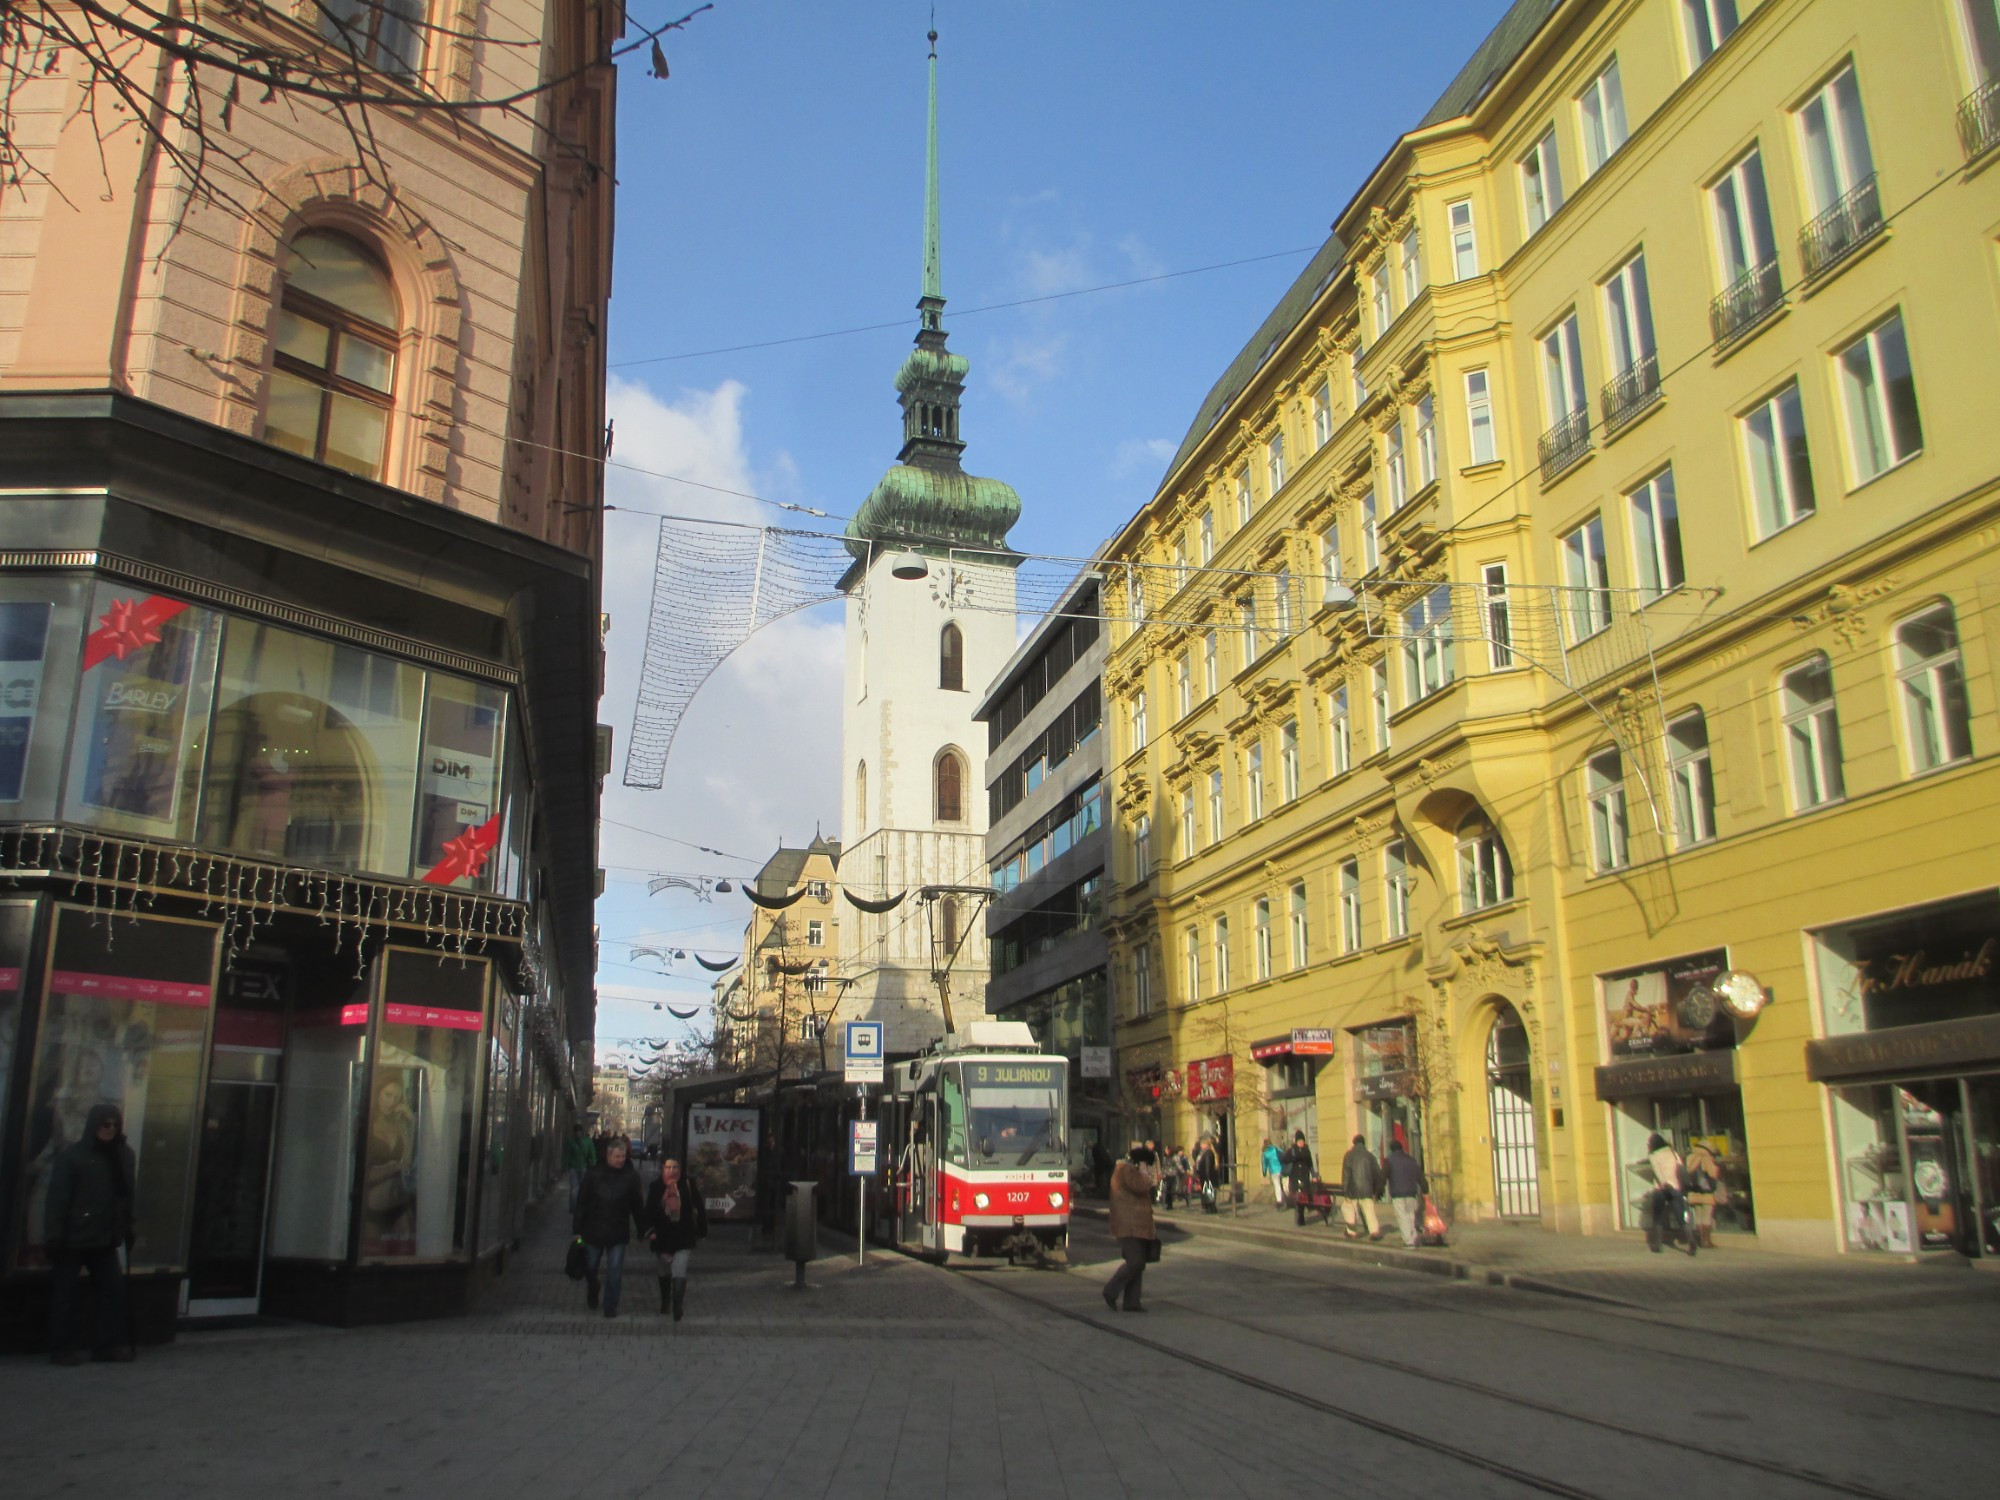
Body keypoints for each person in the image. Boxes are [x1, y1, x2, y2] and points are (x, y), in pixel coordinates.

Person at [45, 1103, 136, 1365]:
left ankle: (105, 1346)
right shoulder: (73, 1156)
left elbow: (127, 1195)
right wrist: (54, 1235)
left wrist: (129, 1227)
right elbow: (58, 1199)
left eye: (113, 1125)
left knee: (114, 1291)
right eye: (104, 1124)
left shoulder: (123, 1155)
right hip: (73, 1238)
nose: (109, 1129)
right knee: (64, 1296)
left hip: (105, 1237)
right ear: (92, 1126)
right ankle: (60, 1349)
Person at [573, 1135, 646, 1316]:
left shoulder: (631, 1177)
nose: (620, 1160)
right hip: (593, 1229)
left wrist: (642, 1229)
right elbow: (582, 1202)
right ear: (608, 1156)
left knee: (614, 1271)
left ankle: (610, 1305)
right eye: (617, 1156)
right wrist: (577, 1230)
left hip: (618, 1231)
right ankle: (593, 1287)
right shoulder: (594, 1174)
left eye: (623, 1156)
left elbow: (637, 1205)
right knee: (590, 1267)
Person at [642, 1156, 708, 1321]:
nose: (672, 1171)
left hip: (683, 1235)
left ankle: (677, 1305)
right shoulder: (656, 1186)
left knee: (679, 1271)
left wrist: (702, 1230)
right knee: (664, 1272)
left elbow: (698, 1208)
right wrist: (649, 1231)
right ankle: (665, 1300)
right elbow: (649, 1211)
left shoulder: (688, 1185)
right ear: (662, 1168)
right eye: (668, 1167)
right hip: (662, 1237)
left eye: (675, 1167)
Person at [1101, 1144, 1159, 1313]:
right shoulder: (1126, 1171)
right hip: (1129, 1225)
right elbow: (1141, 1186)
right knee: (1136, 1262)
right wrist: (1144, 1172)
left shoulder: (1125, 1169)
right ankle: (1110, 1290)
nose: (1148, 1168)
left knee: (1138, 1262)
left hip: (1135, 1224)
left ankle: (1132, 1302)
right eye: (1147, 1164)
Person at [1646, 1132, 1692, 1255]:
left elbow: (1657, 1171)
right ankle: (1691, 1241)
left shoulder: (1653, 1155)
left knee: (1658, 1217)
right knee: (1680, 1216)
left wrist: (1664, 1183)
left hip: (1662, 1189)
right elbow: (1680, 1168)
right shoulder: (1673, 1153)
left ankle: (1657, 1244)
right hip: (1676, 1188)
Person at [1339, 1134, 1383, 1240]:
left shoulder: (1348, 1155)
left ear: (1353, 1143)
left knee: (1350, 1210)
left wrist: (1345, 1190)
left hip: (1352, 1190)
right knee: (1369, 1211)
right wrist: (1377, 1191)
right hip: (1367, 1189)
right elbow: (1377, 1174)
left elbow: (1346, 1174)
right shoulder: (1370, 1156)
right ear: (1363, 1143)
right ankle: (1374, 1232)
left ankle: (1351, 1232)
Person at [1385, 1138, 1426, 1247]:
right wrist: (1425, 1190)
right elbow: (1420, 1176)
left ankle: (1408, 1240)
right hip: (1411, 1193)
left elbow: (1383, 1176)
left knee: (1402, 1216)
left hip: (1397, 1193)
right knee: (1411, 1215)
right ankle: (1414, 1236)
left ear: (1391, 1149)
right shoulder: (1411, 1160)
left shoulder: (1389, 1160)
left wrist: (1378, 1191)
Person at [1685, 1139, 1723, 1249]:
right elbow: (1712, 1173)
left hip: (1693, 1191)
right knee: (1707, 1216)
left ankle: (1700, 1240)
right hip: (1706, 1193)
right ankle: (1706, 1241)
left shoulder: (1690, 1157)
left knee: (1699, 1216)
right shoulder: (1706, 1158)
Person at [564, 1126, 595, 1214]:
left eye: (579, 1132)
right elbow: (567, 1155)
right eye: (576, 1132)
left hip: (583, 1167)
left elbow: (592, 1153)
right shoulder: (571, 1142)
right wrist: (566, 1166)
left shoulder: (587, 1141)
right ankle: (574, 1207)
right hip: (575, 1167)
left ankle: (579, 1207)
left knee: (581, 1188)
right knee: (575, 1189)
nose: (578, 1133)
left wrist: (593, 1163)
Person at [1287, 1131, 1315, 1227]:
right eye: (1299, 1140)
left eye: (1302, 1140)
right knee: (1297, 1199)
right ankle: (1299, 1216)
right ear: (1296, 1141)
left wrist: (1314, 1175)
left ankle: (1301, 1216)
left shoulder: (1307, 1151)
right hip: (1294, 1178)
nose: (1301, 1142)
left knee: (1303, 1198)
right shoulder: (1292, 1151)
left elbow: (1310, 1165)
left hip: (1304, 1178)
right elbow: (1286, 1161)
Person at [1193, 1137, 1221, 1214]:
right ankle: (1209, 1207)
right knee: (1207, 1192)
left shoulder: (1208, 1153)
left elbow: (1207, 1166)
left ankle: (1210, 1208)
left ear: (1206, 1145)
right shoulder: (1204, 1152)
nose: (1201, 1146)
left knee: (1208, 1192)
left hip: (1207, 1176)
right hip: (1204, 1176)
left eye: (1202, 1144)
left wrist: (1207, 1176)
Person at [1261, 1137, 1285, 1209]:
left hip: (1274, 1171)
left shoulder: (1265, 1153)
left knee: (1277, 1186)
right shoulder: (1276, 1149)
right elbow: (1284, 1155)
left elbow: (1264, 1163)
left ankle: (1279, 1201)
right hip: (1281, 1169)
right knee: (1283, 1185)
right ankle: (1285, 1199)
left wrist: (1264, 1172)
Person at [1158, 1144, 1179, 1210]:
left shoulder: (1175, 1157)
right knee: (1166, 1190)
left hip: (1172, 1175)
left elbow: (1178, 1166)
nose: (1165, 1150)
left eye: (1166, 1149)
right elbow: (1163, 1167)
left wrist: (1184, 1172)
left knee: (1169, 1190)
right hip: (1166, 1175)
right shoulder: (1165, 1157)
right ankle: (1167, 1204)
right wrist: (1161, 1174)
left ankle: (1169, 1204)